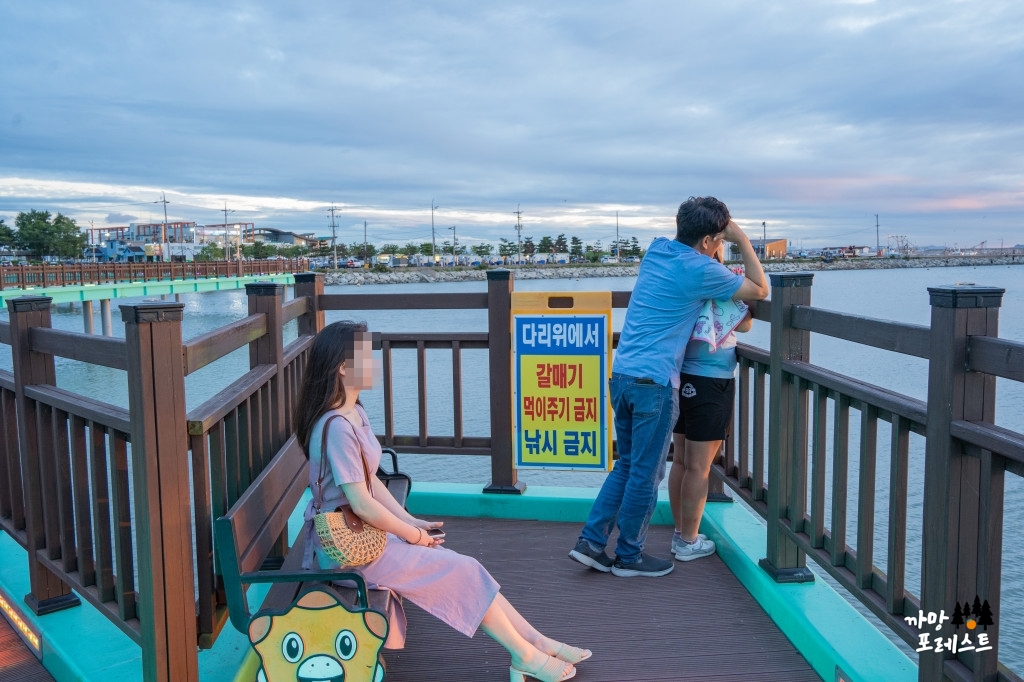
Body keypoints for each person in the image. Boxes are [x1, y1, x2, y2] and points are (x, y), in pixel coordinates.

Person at [295, 321, 586, 682]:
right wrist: (412, 536)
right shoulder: (337, 425)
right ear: (342, 365)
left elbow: (373, 482)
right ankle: (523, 655)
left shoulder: (355, 412)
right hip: (344, 552)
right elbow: (364, 503)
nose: (373, 362)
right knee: (459, 569)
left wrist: (410, 521)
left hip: (364, 536)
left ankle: (535, 641)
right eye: (365, 355)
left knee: (465, 566)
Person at [569, 196, 768, 578]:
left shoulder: (657, 250)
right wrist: (742, 237)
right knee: (646, 473)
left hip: (623, 375)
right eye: (720, 238)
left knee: (626, 465)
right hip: (654, 383)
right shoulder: (699, 269)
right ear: (712, 239)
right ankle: (629, 556)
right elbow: (759, 290)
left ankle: (592, 543)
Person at [668, 246, 753, 562]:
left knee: (681, 461)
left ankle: (681, 532)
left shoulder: (682, 280)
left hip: (681, 376)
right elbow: (744, 323)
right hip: (712, 379)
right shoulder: (722, 280)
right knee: (700, 467)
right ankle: (688, 542)